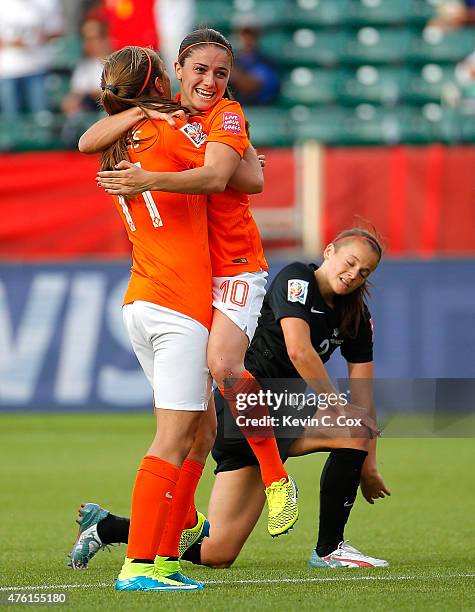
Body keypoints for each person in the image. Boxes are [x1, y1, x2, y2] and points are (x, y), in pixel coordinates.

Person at [79, 28, 299, 538]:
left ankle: (275, 476)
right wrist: (142, 110)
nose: (211, 80)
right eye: (200, 70)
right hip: (192, 276)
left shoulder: (226, 114)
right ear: (177, 70)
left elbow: (234, 179)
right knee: (199, 426)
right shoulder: (167, 119)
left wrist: (146, 179)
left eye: (221, 72)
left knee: (224, 365)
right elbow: (88, 140)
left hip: (237, 262)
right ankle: (174, 529)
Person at [69, 227, 391, 571]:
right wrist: (335, 405)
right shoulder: (298, 279)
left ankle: (107, 528)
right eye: (350, 262)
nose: (353, 274)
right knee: (217, 552)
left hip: (290, 411)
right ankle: (329, 550)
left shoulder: (355, 315)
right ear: (329, 252)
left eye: (364, 272)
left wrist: (367, 464)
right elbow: (299, 351)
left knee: (217, 553)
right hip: (247, 409)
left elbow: (363, 398)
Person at [92, 44, 218, 593]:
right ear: (160, 79)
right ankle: (140, 565)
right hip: (177, 305)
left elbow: (84, 140)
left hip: (143, 299)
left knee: (200, 432)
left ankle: (165, 555)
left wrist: (142, 110)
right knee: (173, 439)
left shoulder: (121, 135)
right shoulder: (170, 132)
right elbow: (223, 175)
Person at [0, 0, 63, 117]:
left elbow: (57, 30)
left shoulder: (48, 3)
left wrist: (38, 38)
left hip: (38, 68)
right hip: (7, 71)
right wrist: (11, 43)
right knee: (10, 119)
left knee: (41, 117)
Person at [229, 16, 281, 106]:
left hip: (261, 111)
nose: (247, 38)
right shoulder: (233, 60)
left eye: (252, 34)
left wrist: (229, 70)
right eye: (243, 34)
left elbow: (249, 86)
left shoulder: (267, 61)